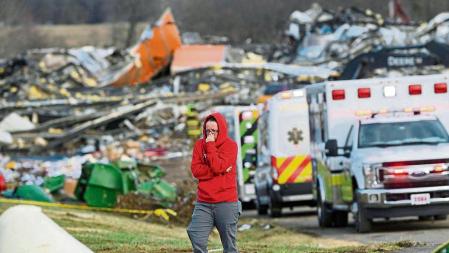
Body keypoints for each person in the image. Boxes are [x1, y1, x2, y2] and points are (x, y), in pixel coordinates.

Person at [187, 112, 241, 253]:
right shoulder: (199, 145)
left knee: (229, 246)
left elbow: (218, 166)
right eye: (207, 131)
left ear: (221, 130)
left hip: (226, 202)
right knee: (195, 234)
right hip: (204, 202)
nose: (210, 135)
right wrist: (219, 170)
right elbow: (196, 170)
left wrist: (210, 146)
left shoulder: (231, 146)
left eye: (213, 131)